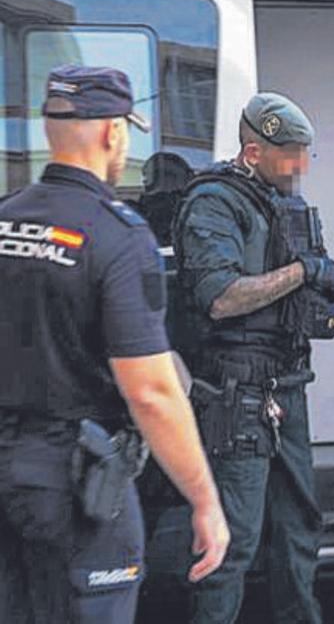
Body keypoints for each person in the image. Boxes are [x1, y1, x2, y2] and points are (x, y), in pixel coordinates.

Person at [0, 65, 228, 623]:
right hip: (76, 484)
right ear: (112, 133)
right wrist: (204, 499)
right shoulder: (117, 236)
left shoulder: (4, 219)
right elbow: (151, 392)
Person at [174, 92, 334, 624]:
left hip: (285, 385)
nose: (301, 165)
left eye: (304, 152)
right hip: (237, 393)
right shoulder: (214, 202)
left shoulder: (282, 203)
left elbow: (302, 284)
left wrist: (332, 297)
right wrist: (303, 273)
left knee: (299, 526)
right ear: (253, 152)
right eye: (290, 153)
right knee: (235, 538)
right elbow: (221, 297)